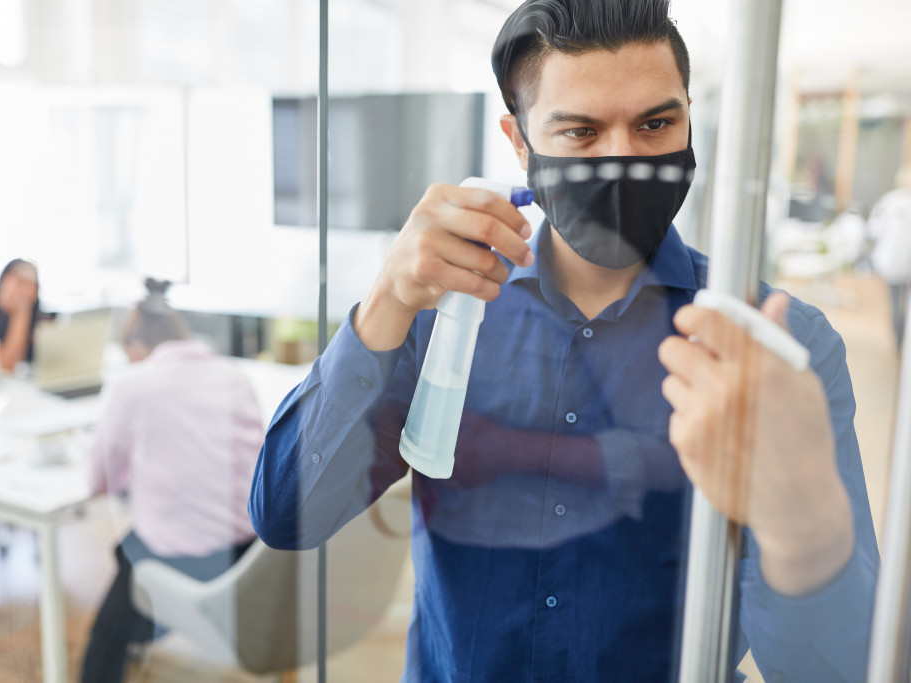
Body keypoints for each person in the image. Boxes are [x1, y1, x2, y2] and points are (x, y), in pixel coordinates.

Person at [249, 1, 879, 681]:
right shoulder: (439, 313)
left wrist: (802, 530)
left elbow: (842, 666)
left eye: (656, 123)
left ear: (690, 117)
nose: (622, 159)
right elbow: (289, 512)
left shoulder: (781, 345)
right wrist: (388, 299)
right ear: (519, 144)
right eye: (580, 131)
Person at [80, 278, 265, 683]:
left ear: (135, 349)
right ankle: (146, 633)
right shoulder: (233, 376)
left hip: (186, 564)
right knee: (128, 547)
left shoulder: (131, 386)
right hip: (251, 555)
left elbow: (96, 482)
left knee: (126, 567)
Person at [868, 165, 911, 351]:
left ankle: (898, 340)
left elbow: (874, 229)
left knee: (895, 301)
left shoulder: (888, 201)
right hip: (904, 261)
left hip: (892, 261)